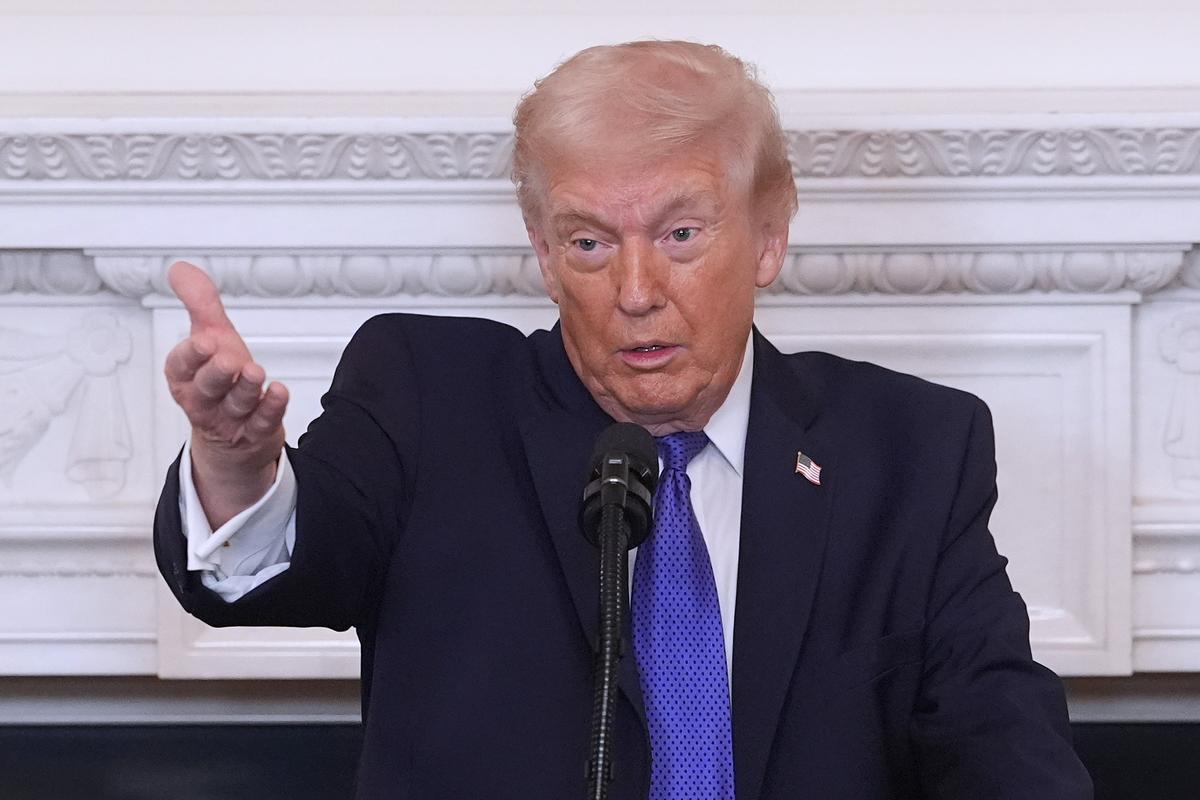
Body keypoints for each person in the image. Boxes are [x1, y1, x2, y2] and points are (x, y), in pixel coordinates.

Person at [155, 40, 1093, 799]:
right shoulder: (430, 397)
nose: (635, 291)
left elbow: (1000, 743)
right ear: (544, 249)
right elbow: (295, 561)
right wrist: (237, 463)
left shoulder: (911, 450)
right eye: (590, 241)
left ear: (770, 234)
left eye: (681, 234)